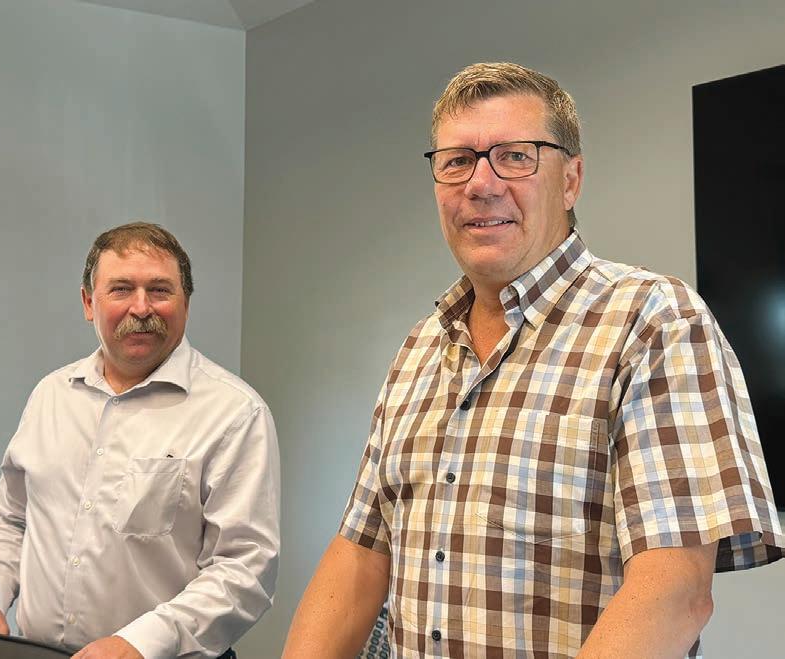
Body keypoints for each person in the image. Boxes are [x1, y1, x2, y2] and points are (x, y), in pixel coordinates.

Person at [283, 62, 784, 658]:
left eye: (515, 157)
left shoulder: (653, 322)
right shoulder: (421, 347)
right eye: (457, 161)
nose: (481, 184)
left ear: (570, 180)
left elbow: (675, 591)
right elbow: (361, 555)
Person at [0, 222, 280, 659]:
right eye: (121, 289)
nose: (141, 307)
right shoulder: (51, 395)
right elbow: (14, 520)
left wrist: (139, 643)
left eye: (160, 290)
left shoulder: (234, 413)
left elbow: (244, 570)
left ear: (186, 304)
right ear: (88, 302)